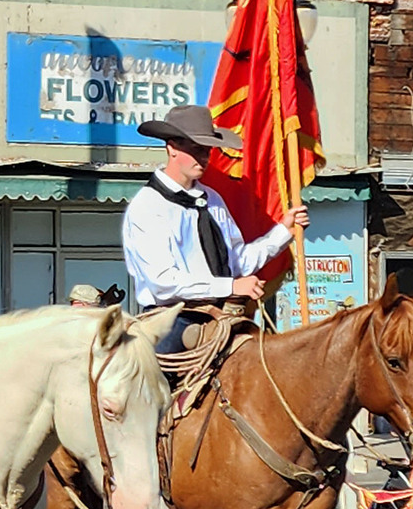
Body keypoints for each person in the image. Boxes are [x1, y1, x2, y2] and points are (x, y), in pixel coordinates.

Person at [120, 104, 308, 355]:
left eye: (207, 150)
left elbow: (238, 262)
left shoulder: (213, 200)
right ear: (172, 148)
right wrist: (230, 287)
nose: (204, 158)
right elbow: (162, 283)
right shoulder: (148, 206)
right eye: (196, 149)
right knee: (157, 384)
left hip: (222, 315)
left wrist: (283, 231)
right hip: (170, 319)